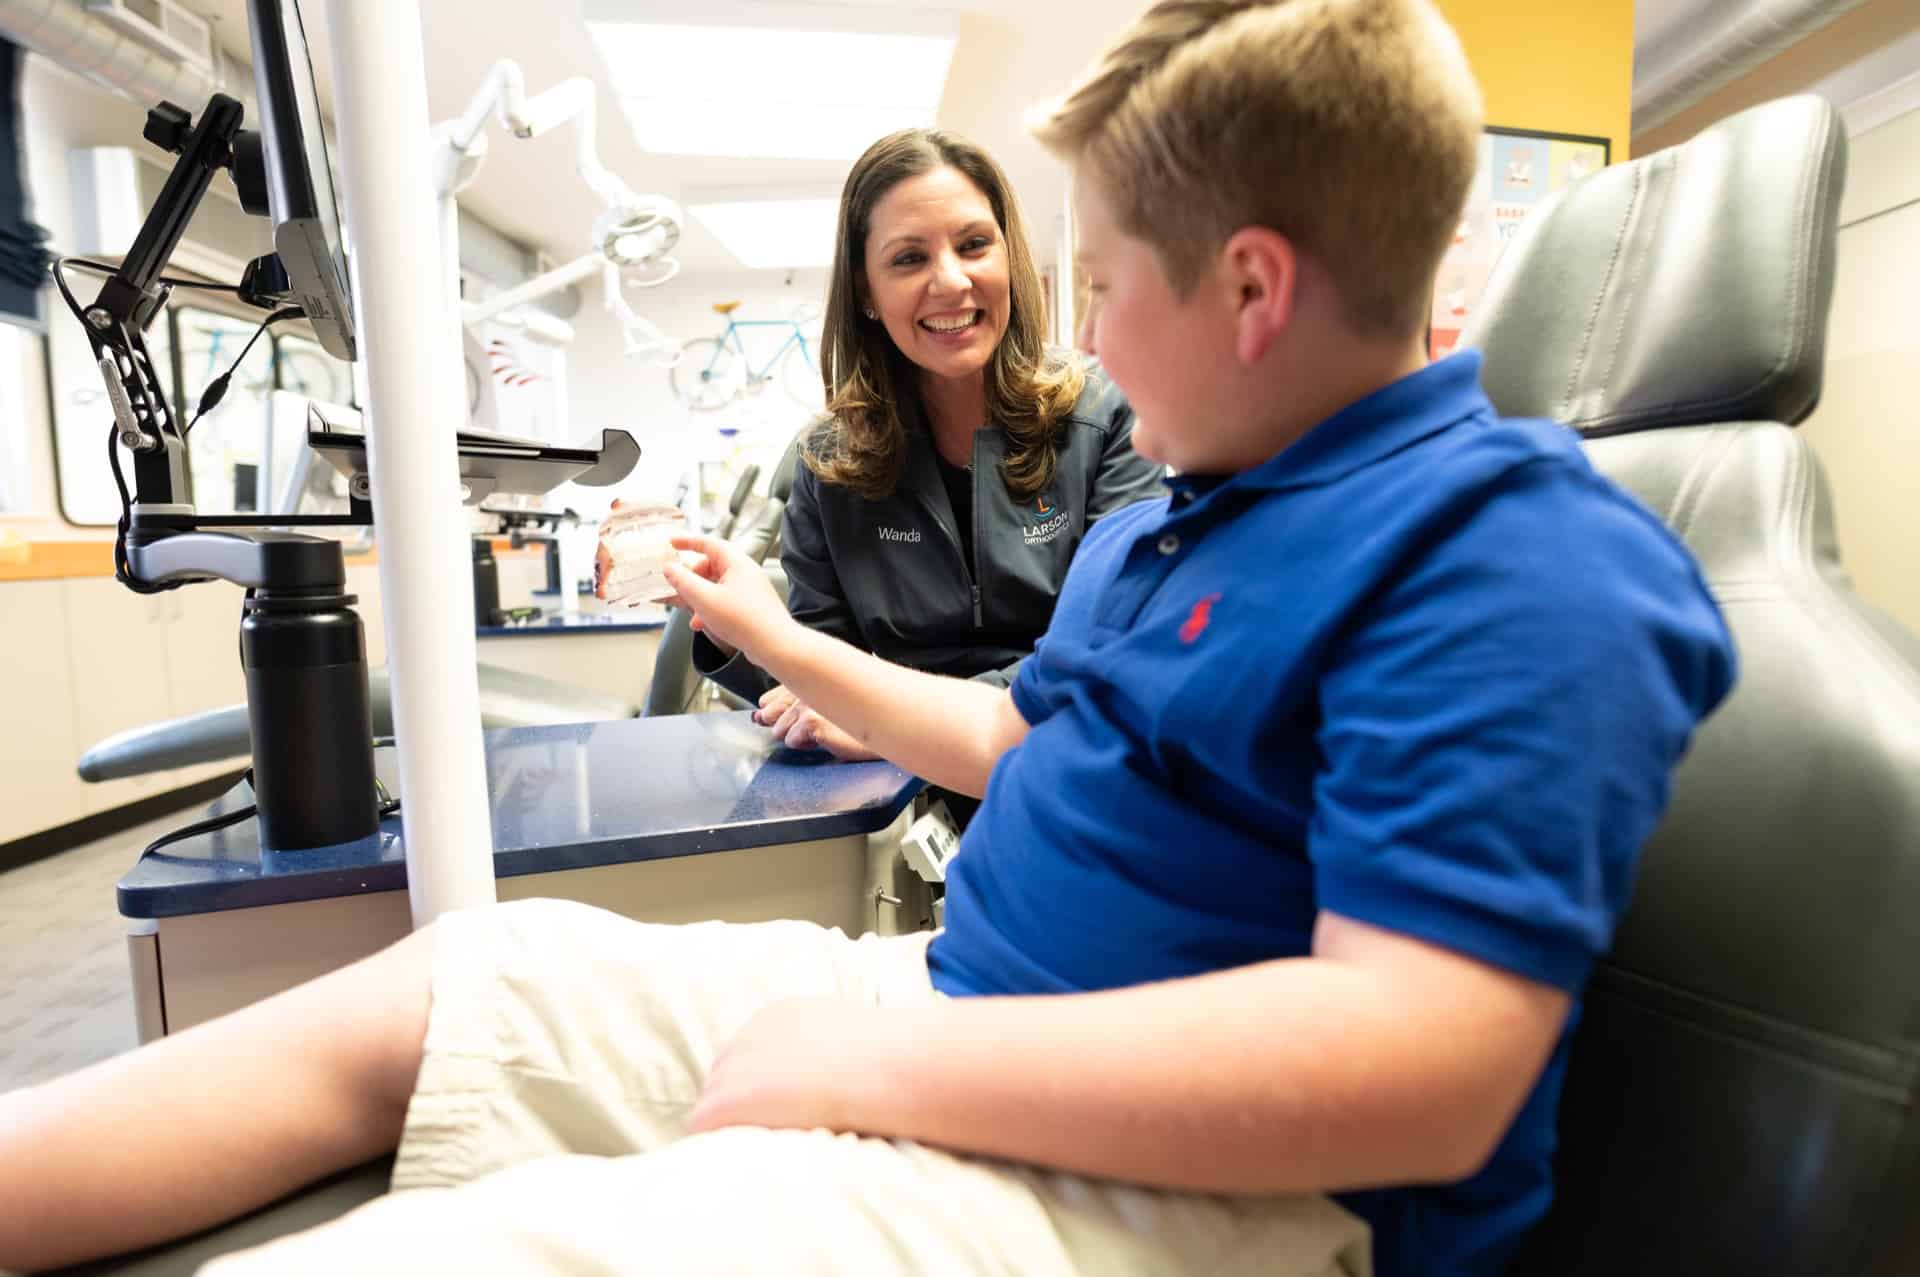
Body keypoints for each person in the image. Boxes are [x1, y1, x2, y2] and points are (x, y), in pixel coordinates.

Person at [0, 2, 1737, 1274]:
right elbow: (1013, 744)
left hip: (1220, 1191)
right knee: (467, 973)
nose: (1095, 336)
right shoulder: (1192, 508)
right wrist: (783, 674)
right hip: (976, 997)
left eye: (1104, 279)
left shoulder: (1509, 560)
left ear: (1253, 290)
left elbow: (1423, 1075)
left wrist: (885, 1059)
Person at [689, 127, 1165, 761]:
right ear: (865, 291)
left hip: (1064, 771)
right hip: (892, 799)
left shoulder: (1108, 415)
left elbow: (1114, 648)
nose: (951, 282)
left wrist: (885, 722)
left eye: (974, 245)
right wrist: (736, 638)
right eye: (908, 258)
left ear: (1008, 256)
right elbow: (812, 676)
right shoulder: (826, 463)